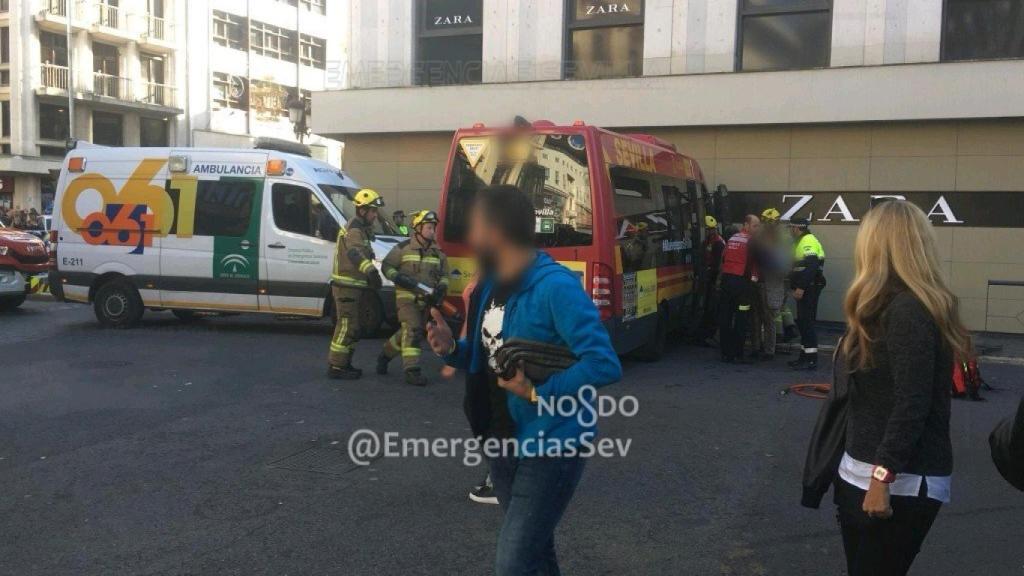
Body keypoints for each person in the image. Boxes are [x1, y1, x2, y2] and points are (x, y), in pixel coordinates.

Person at [426, 184, 621, 576]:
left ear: (497, 231)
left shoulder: (556, 287)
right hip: (500, 439)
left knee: (513, 561)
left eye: (476, 226)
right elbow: (487, 354)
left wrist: (537, 392)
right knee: (534, 552)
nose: (470, 236)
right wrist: (450, 349)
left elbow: (603, 363)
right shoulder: (489, 285)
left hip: (552, 444)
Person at [833, 200, 971, 576]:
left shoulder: (909, 310)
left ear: (876, 245)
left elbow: (913, 401)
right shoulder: (878, 306)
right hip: (860, 471)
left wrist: (883, 475)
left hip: (901, 482)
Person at [376, 210, 449, 386]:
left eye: (434, 228)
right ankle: (412, 370)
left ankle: (385, 355)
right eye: (429, 227)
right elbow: (386, 266)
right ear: (418, 228)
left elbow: (445, 275)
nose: (432, 231)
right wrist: (397, 277)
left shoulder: (438, 253)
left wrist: (441, 287)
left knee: (407, 332)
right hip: (406, 298)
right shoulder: (403, 248)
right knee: (414, 329)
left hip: (426, 300)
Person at [326, 188, 385, 380]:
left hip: (354, 287)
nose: (375, 215)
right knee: (346, 326)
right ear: (362, 210)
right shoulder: (355, 229)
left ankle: (344, 362)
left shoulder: (362, 229)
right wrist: (371, 272)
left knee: (354, 327)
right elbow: (354, 253)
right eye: (373, 211)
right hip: (346, 287)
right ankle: (336, 366)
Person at [718, 215, 760, 363]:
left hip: (726, 283)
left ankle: (725, 353)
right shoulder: (752, 241)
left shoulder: (732, 239)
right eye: (755, 226)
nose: (757, 229)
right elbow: (757, 264)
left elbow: (723, 259)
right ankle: (738, 354)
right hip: (742, 285)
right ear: (746, 225)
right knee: (741, 319)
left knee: (725, 318)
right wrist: (753, 282)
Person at [787, 217, 826, 370]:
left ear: (796, 228)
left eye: (791, 228)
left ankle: (811, 359)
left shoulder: (807, 241)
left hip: (809, 288)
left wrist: (801, 287)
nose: (790, 231)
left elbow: (812, 266)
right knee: (803, 322)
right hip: (807, 287)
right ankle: (804, 357)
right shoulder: (802, 241)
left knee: (807, 323)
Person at [750, 208, 787, 360]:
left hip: (770, 284)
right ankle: (757, 348)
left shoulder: (781, 240)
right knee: (756, 317)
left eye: (771, 222)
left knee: (768, 317)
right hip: (758, 282)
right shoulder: (758, 238)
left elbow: (783, 265)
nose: (768, 225)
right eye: (766, 222)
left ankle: (769, 350)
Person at [697, 215, 726, 344]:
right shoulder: (708, 242)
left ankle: (710, 334)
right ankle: (705, 334)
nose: (709, 232)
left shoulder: (718, 243)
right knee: (707, 307)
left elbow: (718, 264)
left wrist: (712, 278)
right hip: (708, 279)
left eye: (710, 229)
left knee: (712, 308)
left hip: (714, 281)